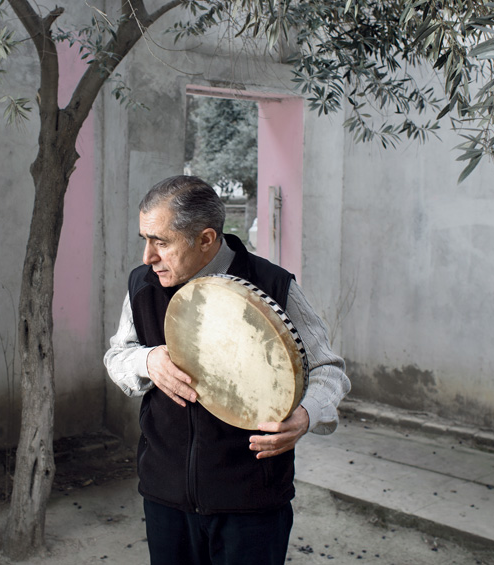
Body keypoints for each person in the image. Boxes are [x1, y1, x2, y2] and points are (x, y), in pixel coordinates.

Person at [104, 175, 350, 565]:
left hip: (251, 503)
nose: (148, 256)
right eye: (145, 239)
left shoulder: (273, 284)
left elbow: (328, 370)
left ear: (205, 239)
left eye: (161, 242)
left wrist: (305, 416)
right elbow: (118, 355)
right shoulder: (143, 284)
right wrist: (147, 361)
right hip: (165, 496)